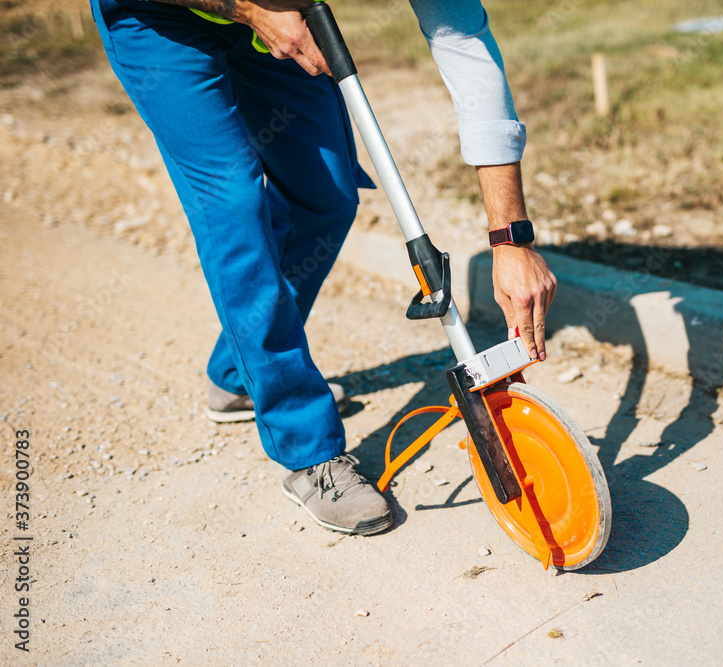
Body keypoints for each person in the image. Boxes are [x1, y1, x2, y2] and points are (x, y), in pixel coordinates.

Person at [88, 0, 556, 535]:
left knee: (327, 194)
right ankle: (307, 449)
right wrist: (249, 9)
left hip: (277, 16)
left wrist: (510, 236)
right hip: (159, 21)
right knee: (235, 208)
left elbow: (464, 42)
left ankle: (239, 373)